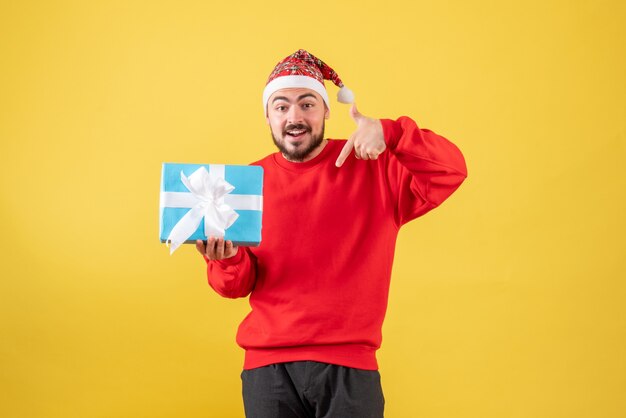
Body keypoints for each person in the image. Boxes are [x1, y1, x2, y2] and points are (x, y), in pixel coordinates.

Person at [195, 49, 467, 418]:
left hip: (350, 368)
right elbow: (235, 286)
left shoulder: (375, 167)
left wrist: (391, 133)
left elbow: (450, 169)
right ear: (267, 116)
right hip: (268, 371)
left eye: (307, 104)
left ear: (326, 111)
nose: (294, 117)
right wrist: (227, 260)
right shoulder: (246, 184)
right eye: (281, 106)